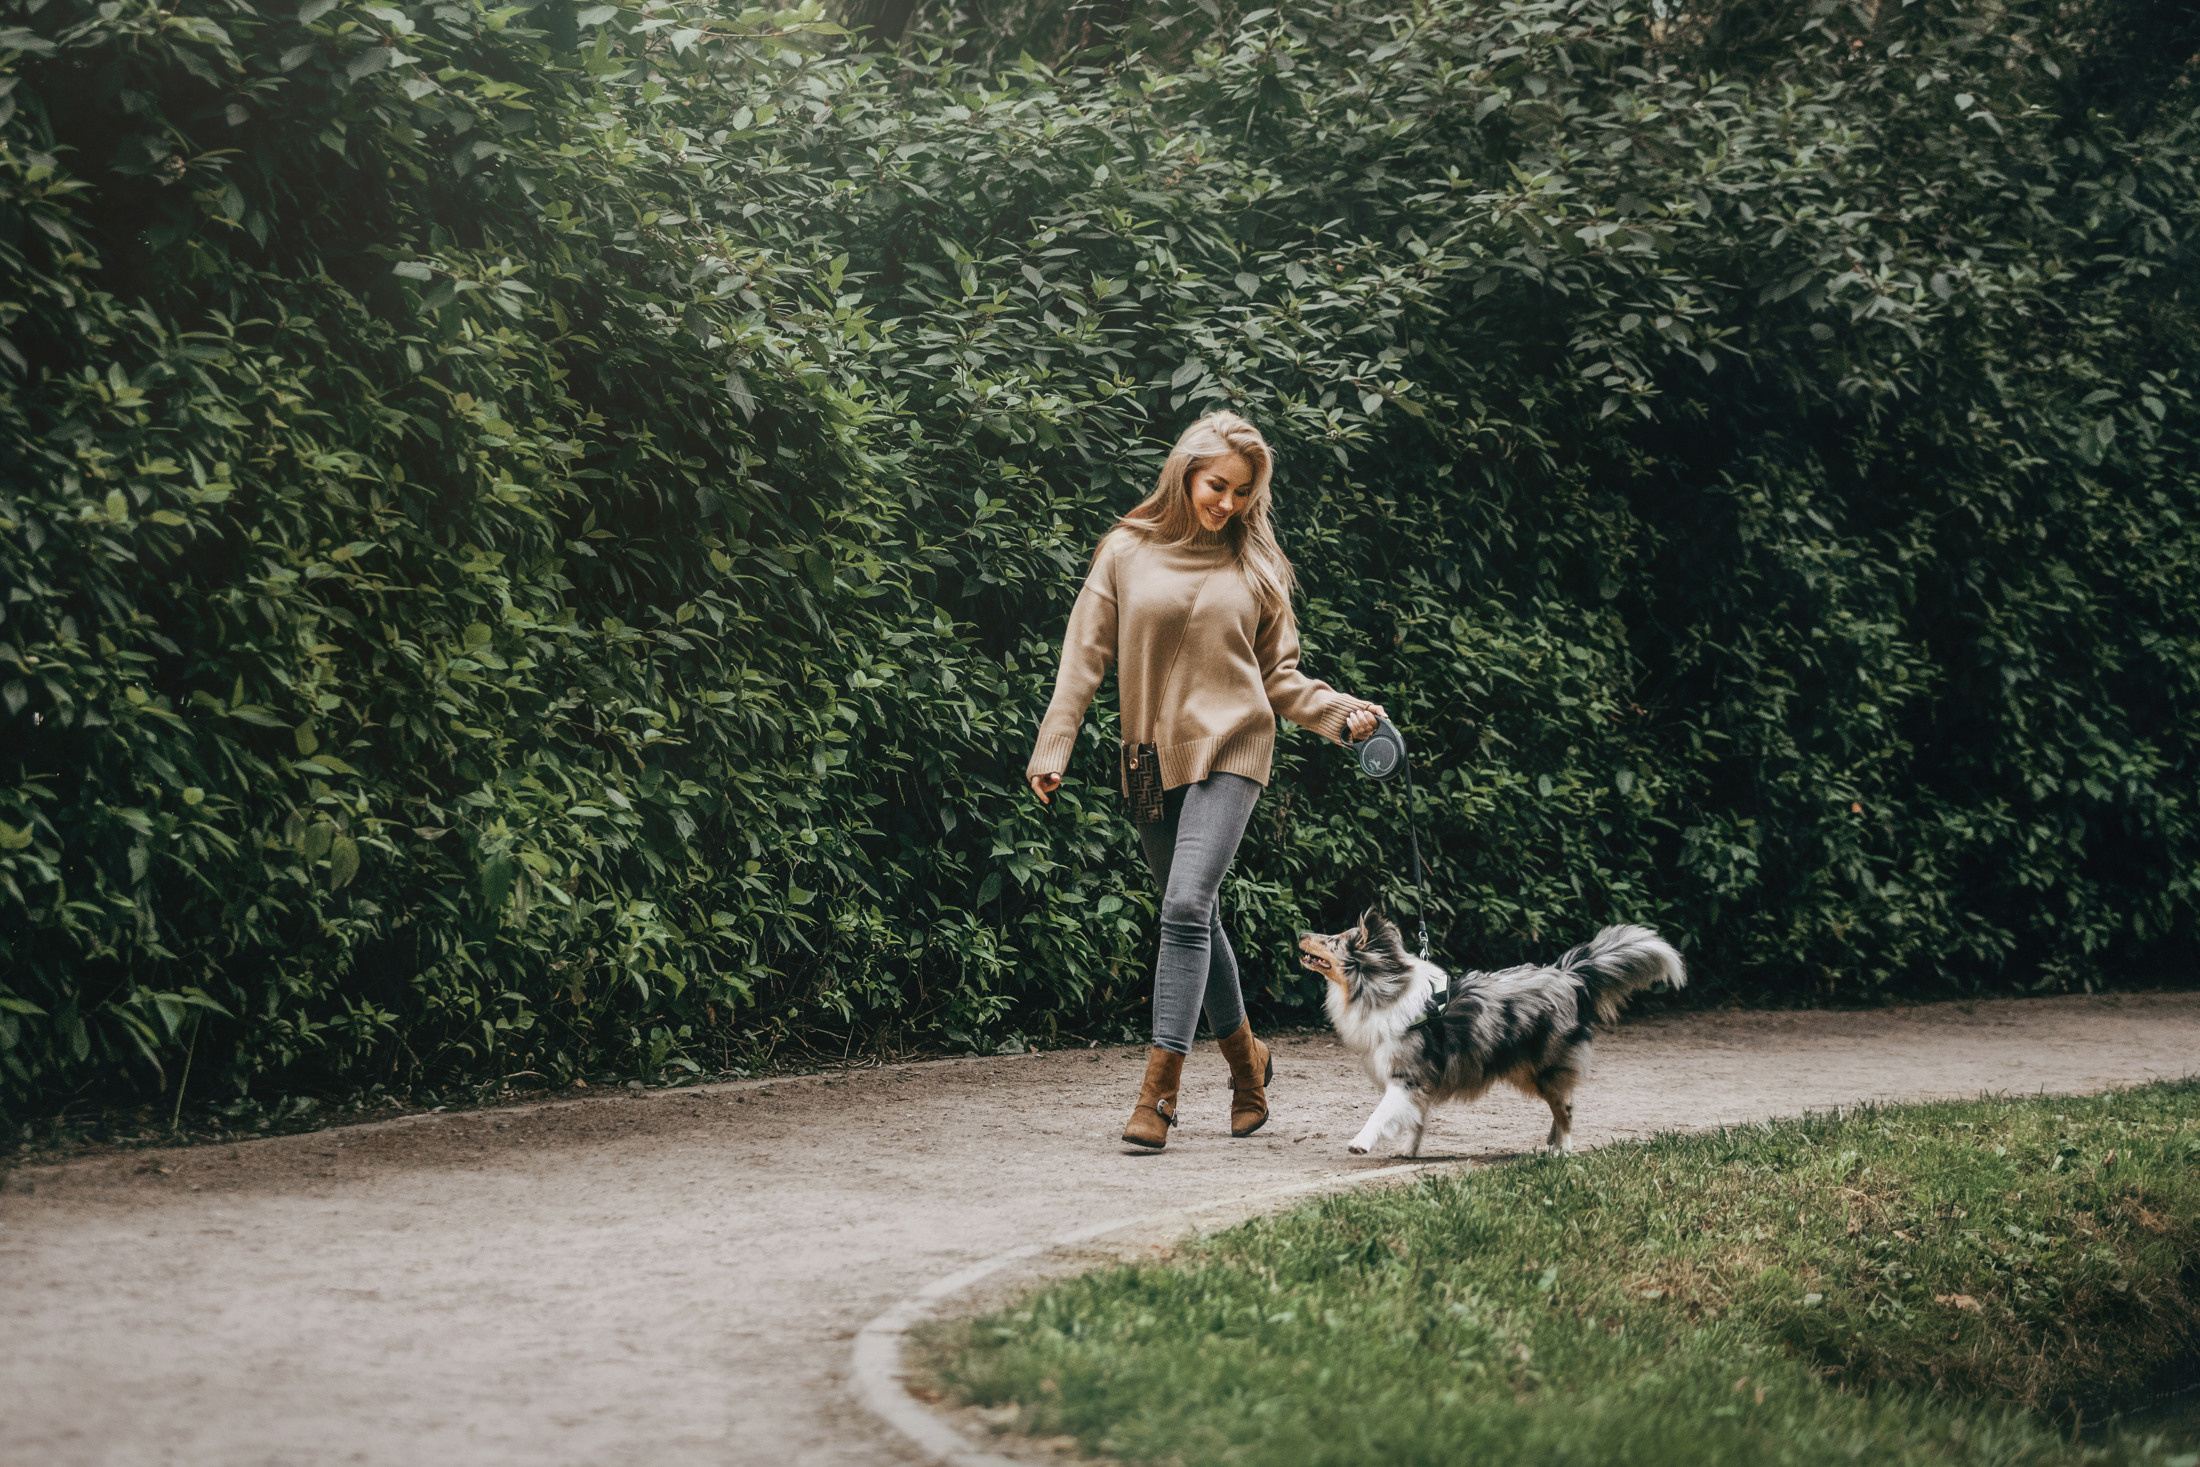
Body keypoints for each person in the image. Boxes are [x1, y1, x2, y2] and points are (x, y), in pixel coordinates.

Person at [1025, 411, 1386, 1150]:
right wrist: (1053, 744)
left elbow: (1280, 679)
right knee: (1197, 916)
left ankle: (1158, 1094)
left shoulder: (1257, 569)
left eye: (1242, 493)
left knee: (1186, 902)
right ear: (1185, 472)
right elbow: (1083, 656)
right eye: (1216, 485)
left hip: (1234, 748)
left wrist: (1342, 712)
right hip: (1148, 762)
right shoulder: (1127, 549)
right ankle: (1249, 1065)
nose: (1226, 503)